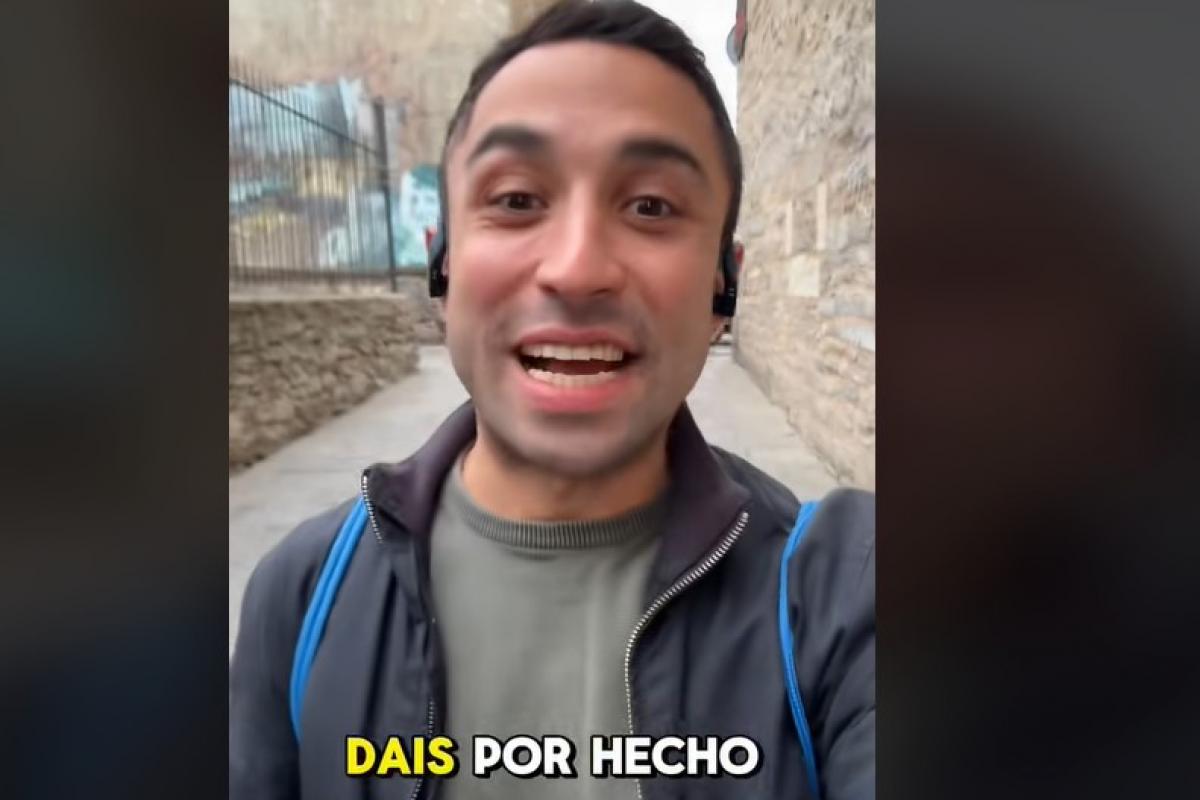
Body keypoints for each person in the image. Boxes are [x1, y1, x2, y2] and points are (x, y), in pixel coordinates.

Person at [229, 2, 874, 799]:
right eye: (515, 200)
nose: (576, 269)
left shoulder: (842, 598)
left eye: (651, 206)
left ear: (724, 285)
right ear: (442, 265)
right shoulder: (301, 598)